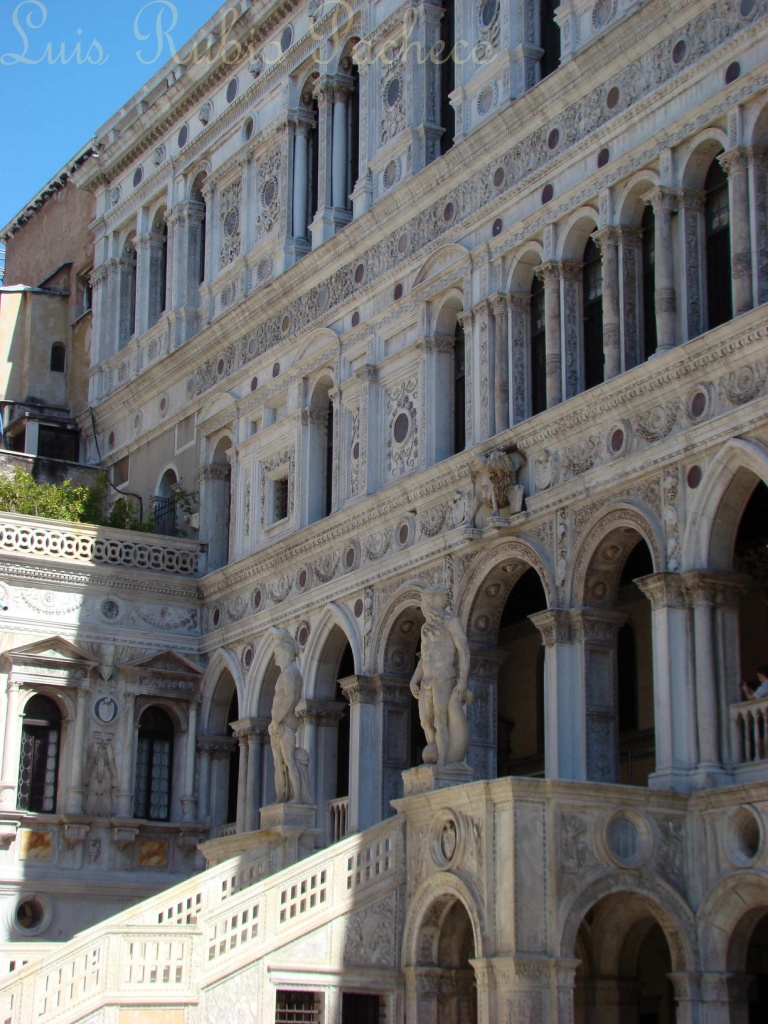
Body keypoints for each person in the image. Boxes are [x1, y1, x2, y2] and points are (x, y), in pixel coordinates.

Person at [409, 584, 473, 766]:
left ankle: (443, 763)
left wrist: (462, 682)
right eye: (443, 595)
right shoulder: (425, 627)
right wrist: (415, 679)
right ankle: (436, 752)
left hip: (444, 677)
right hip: (427, 681)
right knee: (425, 722)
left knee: (441, 719)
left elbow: (463, 651)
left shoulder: (451, 622)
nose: (447, 598)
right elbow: (424, 656)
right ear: (432, 599)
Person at [268, 627, 311, 804]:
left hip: (284, 723)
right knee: (279, 763)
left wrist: (277, 720)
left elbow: (291, 697)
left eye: (277, 653)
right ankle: (282, 797)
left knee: (289, 759)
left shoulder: (290, 673)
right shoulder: (286, 673)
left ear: (285, 654)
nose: (276, 657)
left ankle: (298, 797)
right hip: (278, 723)